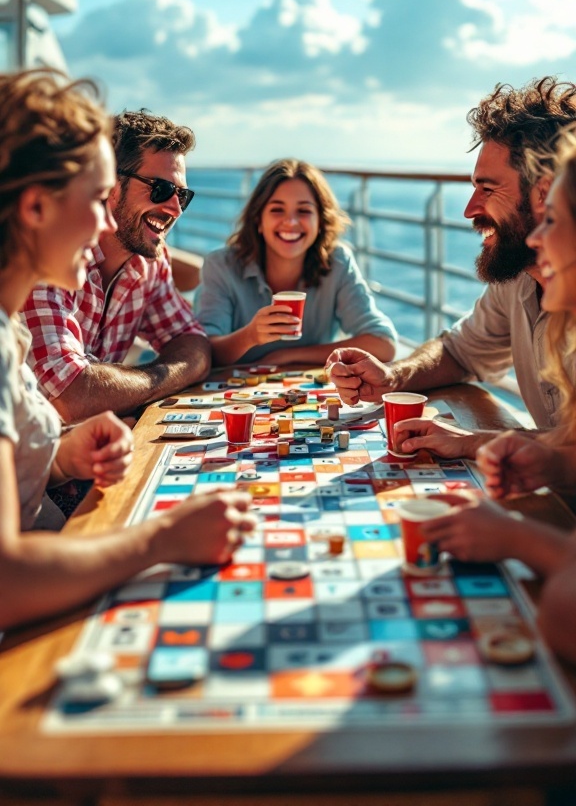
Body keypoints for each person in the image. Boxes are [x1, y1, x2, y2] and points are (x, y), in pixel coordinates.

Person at [0, 70, 254, 631]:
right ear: (38, 207)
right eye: (94, 198)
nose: (98, 221)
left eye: (182, 194)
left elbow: (193, 349)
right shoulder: (29, 301)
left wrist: (67, 451)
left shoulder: (12, 333)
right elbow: (8, 579)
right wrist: (161, 539)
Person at [327, 77, 576, 457]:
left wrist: (475, 441)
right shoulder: (519, 276)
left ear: (544, 194)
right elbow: (461, 353)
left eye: (488, 190)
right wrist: (394, 377)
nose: (469, 210)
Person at [420, 132, 576, 662]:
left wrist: (520, 540)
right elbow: (461, 352)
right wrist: (549, 459)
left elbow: (566, 620)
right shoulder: (524, 280)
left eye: (552, 221)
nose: (536, 243)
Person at [23, 109, 211, 424]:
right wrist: (156, 381)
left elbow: (193, 344)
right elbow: (71, 396)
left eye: (183, 195)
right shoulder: (55, 257)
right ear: (111, 183)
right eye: (161, 189)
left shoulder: (149, 260)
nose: (176, 208)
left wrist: (135, 386)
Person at [195, 158, 397, 366]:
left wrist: (288, 355)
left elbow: (383, 343)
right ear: (258, 220)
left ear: (320, 222)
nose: (291, 222)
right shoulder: (220, 266)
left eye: (304, 211)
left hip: (306, 393)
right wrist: (250, 336)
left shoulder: (337, 262)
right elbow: (202, 353)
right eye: (277, 210)